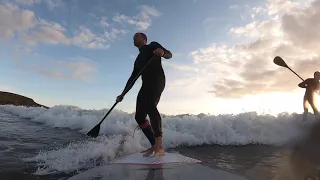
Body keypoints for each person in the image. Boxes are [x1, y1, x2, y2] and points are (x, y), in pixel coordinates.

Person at [116, 32, 172, 156]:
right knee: (139, 117)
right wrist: (122, 94)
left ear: (144, 39)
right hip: (145, 85)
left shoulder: (153, 45)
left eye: (137, 36)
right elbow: (132, 79)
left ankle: (159, 146)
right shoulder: (138, 60)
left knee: (150, 105)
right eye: (133, 37)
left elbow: (169, 54)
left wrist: (162, 52)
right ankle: (153, 144)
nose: (134, 38)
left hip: (157, 80)